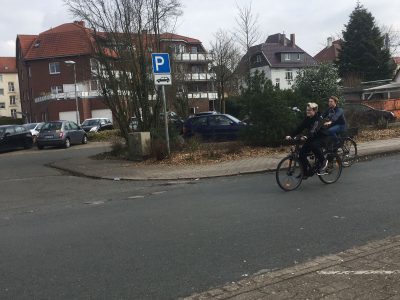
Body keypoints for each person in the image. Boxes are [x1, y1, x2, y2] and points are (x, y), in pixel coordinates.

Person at [285, 102, 328, 177]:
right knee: (301, 154)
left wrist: (306, 136)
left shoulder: (318, 119)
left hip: (321, 137)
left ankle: (323, 161)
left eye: (310, 110)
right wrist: (290, 135)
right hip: (311, 137)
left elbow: (314, 130)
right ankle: (305, 173)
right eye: (307, 110)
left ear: (315, 111)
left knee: (314, 145)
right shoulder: (307, 118)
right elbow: (300, 128)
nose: (307, 111)